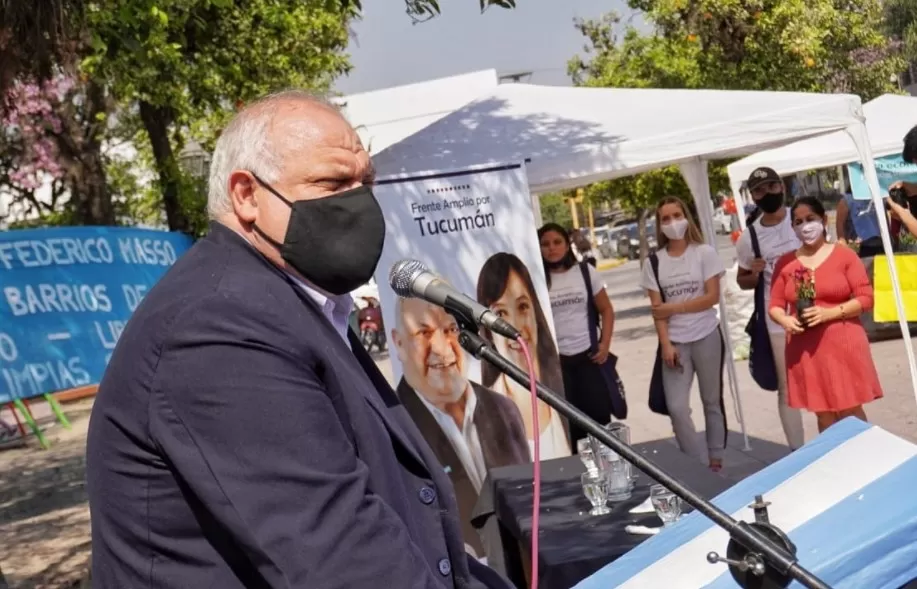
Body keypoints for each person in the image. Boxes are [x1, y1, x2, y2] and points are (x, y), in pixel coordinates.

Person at [85, 90, 512, 589]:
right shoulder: (217, 325)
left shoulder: (296, 303)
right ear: (246, 195)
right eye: (332, 183)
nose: (358, 203)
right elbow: (344, 561)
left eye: (365, 182)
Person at [390, 296, 530, 558]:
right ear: (399, 342)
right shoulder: (393, 429)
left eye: (451, 329)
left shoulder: (503, 409)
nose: (443, 349)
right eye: (424, 332)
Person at [768, 197, 883, 432]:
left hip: (843, 342)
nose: (805, 226)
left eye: (810, 219)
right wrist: (785, 319)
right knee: (824, 416)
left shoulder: (844, 256)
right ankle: (835, 463)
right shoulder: (786, 264)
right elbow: (775, 305)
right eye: (798, 222)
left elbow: (866, 298)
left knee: (851, 411)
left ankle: (865, 460)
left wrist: (829, 313)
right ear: (793, 228)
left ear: (824, 219)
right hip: (806, 348)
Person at [640, 197, 728, 471]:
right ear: (659, 225)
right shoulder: (653, 263)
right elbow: (657, 311)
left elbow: (711, 298)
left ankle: (716, 457)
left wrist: (673, 307)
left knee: (711, 400)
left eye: (676, 215)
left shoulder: (704, 253)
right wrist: (666, 343)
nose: (672, 222)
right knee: (677, 408)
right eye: (665, 219)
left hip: (707, 335)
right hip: (676, 342)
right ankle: (695, 462)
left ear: (686, 217)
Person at [734, 166, 806, 451]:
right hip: (777, 320)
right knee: (788, 387)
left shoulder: (801, 218)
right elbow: (742, 280)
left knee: (822, 377)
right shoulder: (748, 238)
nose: (768, 193)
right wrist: (753, 272)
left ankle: (835, 438)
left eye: (772, 186)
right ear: (753, 196)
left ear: (782, 187)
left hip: (815, 312)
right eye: (760, 190)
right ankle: (797, 450)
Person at [476, 252, 570, 459]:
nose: (516, 327)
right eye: (500, 314)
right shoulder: (484, 414)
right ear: (487, 330)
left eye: (522, 307)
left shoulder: (565, 387)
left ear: (536, 312)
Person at [537, 224, 618, 447]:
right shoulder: (537, 280)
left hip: (589, 357)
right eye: (545, 244)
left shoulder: (584, 272)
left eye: (557, 242)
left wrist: (605, 344)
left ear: (566, 245)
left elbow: (607, 309)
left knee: (600, 425)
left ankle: (609, 474)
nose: (552, 248)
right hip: (557, 364)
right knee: (571, 430)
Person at [836, 192, 886, 257]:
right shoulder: (847, 200)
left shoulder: (878, 197)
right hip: (857, 247)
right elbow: (839, 224)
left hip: (880, 245)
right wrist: (842, 242)